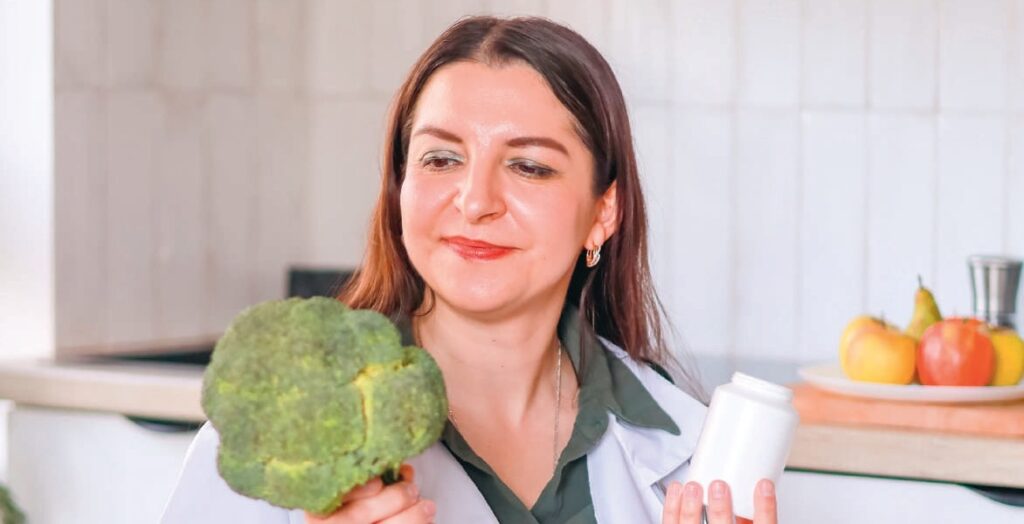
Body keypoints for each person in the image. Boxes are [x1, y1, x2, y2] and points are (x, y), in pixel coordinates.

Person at [161, 15, 779, 524]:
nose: (475, 200)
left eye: (529, 166)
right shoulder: (286, 433)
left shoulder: (700, 451)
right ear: (400, 189)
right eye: (441, 158)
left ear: (602, 212)